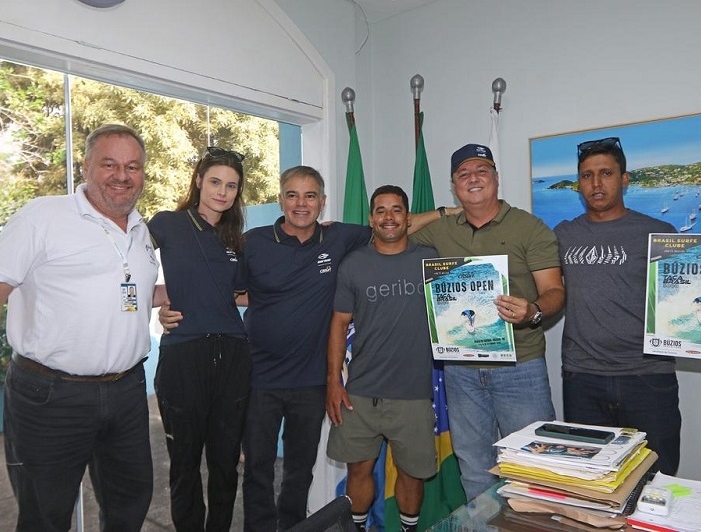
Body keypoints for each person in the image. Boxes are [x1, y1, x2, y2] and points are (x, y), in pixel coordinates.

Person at [159, 166, 449, 530]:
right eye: (293, 195)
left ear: (322, 202)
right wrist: (171, 306)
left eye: (310, 196)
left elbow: (393, 225)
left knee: (299, 472)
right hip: (257, 378)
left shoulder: (339, 238)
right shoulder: (253, 242)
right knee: (258, 470)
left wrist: (447, 212)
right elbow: (221, 288)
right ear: (281, 199)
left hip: (311, 382)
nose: (301, 203)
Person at [0, 124, 158, 531]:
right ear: (85, 167)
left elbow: (127, 292)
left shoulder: (140, 229)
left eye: (132, 166)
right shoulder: (42, 217)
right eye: (109, 164)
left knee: (130, 506)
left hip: (126, 391)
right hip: (51, 397)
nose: (122, 176)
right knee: (45, 516)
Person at [411, 143, 565, 501]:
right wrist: (446, 211)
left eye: (481, 171)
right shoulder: (441, 229)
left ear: (496, 178)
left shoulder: (529, 227)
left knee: (533, 467)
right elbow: (391, 227)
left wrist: (532, 311)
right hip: (461, 369)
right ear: (453, 185)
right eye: (463, 174)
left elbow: (555, 291)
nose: (473, 179)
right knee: (474, 467)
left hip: (520, 368)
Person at [554, 136, 681, 475]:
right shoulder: (563, 235)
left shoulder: (658, 233)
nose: (596, 183)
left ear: (624, 179)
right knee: (590, 481)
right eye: (587, 175)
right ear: (579, 184)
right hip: (583, 379)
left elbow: (690, 297)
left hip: (647, 378)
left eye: (606, 173)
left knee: (655, 478)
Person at [148, 146, 252, 531]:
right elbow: (124, 265)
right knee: (185, 465)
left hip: (232, 357)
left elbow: (237, 294)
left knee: (225, 465)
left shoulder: (234, 239)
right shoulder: (167, 224)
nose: (222, 192)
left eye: (231, 186)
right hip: (184, 356)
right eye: (215, 182)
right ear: (198, 181)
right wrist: (161, 301)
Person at [326, 185, 438, 532]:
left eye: (396, 210)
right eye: (380, 210)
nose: (389, 217)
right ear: (371, 219)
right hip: (360, 393)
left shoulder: (430, 260)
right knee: (358, 471)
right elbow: (338, 324)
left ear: (408, 217)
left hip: (413, 393)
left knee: (411, 474)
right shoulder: (353, 264)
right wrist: (333, 381)